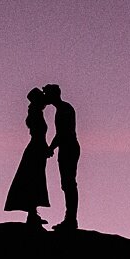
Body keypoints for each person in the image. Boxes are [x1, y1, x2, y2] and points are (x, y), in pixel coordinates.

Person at [3, 87, 51, 226]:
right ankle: (32, 215)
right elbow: (38, 135)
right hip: (36, 148)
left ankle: (32, 214)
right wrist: (45, 148)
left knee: (34, 180)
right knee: (33, 179)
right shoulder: (36, 113)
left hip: (37, 148)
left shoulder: (35, 112)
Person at [43, 84, 79, 231]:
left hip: (68, 148)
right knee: (67, 184)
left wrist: (51, 148)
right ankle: (70, 219)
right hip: (67, 147)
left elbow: (62, 133)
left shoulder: (64, 110)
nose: (46, 97)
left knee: (69, 184)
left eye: (48, 94)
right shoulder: (63, 109)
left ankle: (71, 220)